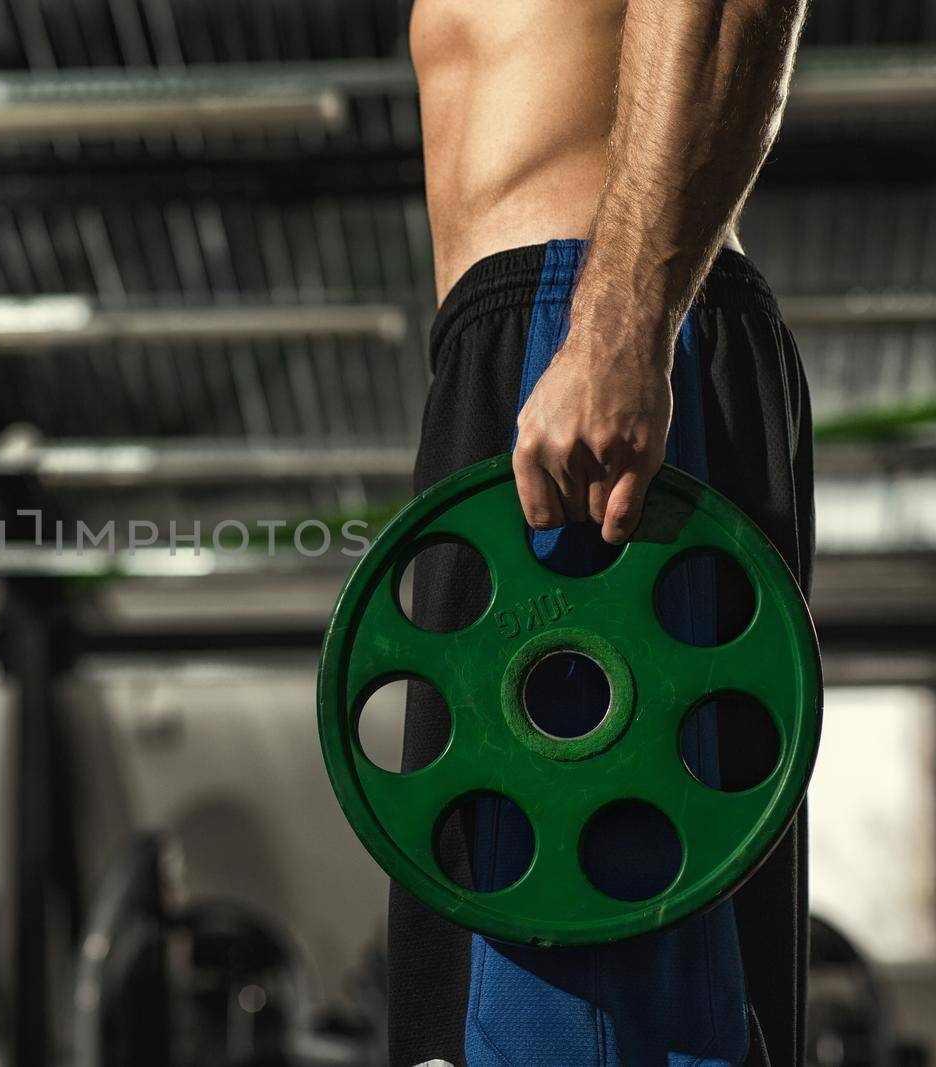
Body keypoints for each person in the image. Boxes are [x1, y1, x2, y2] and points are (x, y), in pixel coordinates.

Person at [394, 1, 813, 1064]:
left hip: (587, 310)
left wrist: (623, 316)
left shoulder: (606, 318)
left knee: (574, 1004)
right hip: (528, 331)